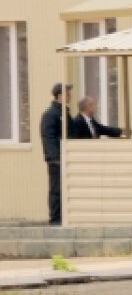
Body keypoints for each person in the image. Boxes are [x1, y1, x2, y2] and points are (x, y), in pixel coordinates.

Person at [39, 83, 72, 225]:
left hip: (65, 157)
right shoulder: (51, 114)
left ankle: (62, 217)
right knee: (56, 189)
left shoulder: (64, 113)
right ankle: (56, 219)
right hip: (56, 159)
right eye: (67, 93)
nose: (70, 96)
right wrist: (54, 158)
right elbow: (49, 137)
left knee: (64, 188)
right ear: (60, 95)